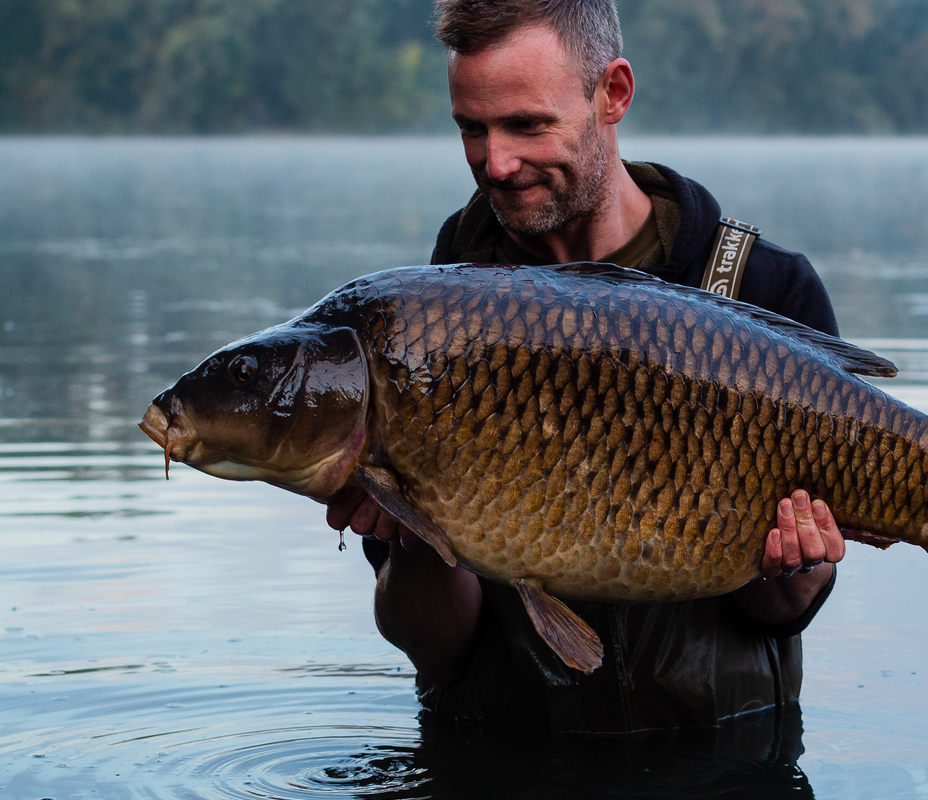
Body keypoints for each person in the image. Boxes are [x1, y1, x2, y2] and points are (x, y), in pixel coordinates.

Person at [326, 0, 846, 734]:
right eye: (471, 129)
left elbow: (778, 613)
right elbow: (436, 650)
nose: (496, 163)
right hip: (502, 757)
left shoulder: (766, 292)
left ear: (614, 94)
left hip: (725, 755)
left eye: (526, 125)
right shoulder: (417, 330)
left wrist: (798, 563)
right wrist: (416, 536)